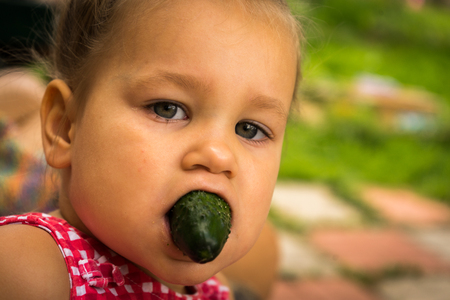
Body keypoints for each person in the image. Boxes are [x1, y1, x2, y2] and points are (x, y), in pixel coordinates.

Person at [0, 0, 301, 299]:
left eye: (250, 129)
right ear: (66, 127)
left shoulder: (217, 291)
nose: (218, 155)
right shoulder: (28, 268)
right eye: (167, 109)